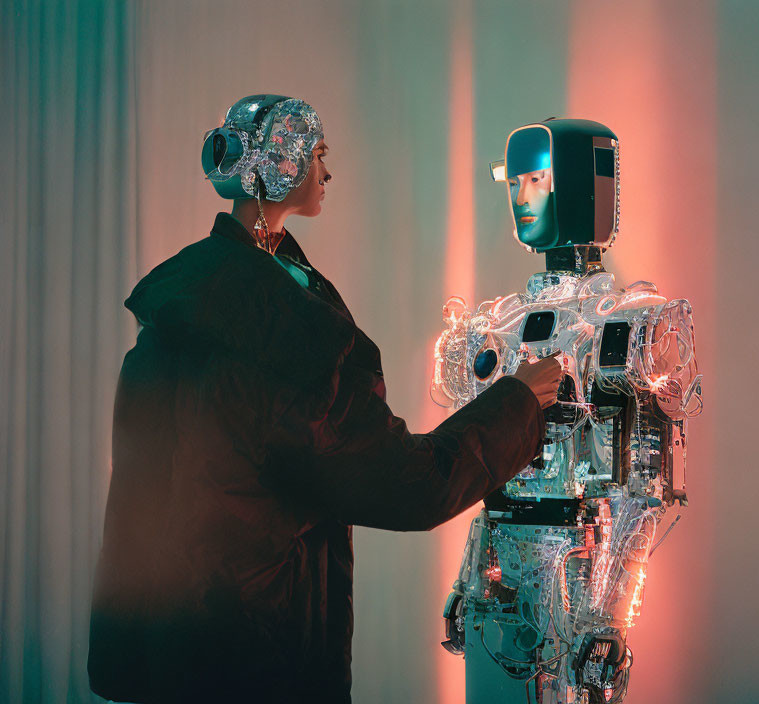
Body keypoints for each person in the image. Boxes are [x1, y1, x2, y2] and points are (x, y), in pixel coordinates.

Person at [87, 94, 561, 704]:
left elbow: (135, 507)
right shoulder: (287, 344)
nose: (328, 173)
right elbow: (411, 485)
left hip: (170, 657)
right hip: (260, 662)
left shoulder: (183, 307)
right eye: (318, 155)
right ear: (281, 168)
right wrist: (517, 402)